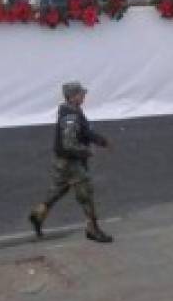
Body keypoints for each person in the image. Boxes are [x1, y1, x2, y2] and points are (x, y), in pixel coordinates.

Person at [28, 82, 113, 244]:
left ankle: (38, 214)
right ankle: (93, 229)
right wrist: (86, 151)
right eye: (81, 94)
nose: (84, 96)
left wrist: (101, 141)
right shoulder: (71, 117)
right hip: (72, 163)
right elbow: (69, 144)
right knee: (86, 194)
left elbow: (85, 132)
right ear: (73, 96)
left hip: (62, 162)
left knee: (58, 190)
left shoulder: (72, 110)